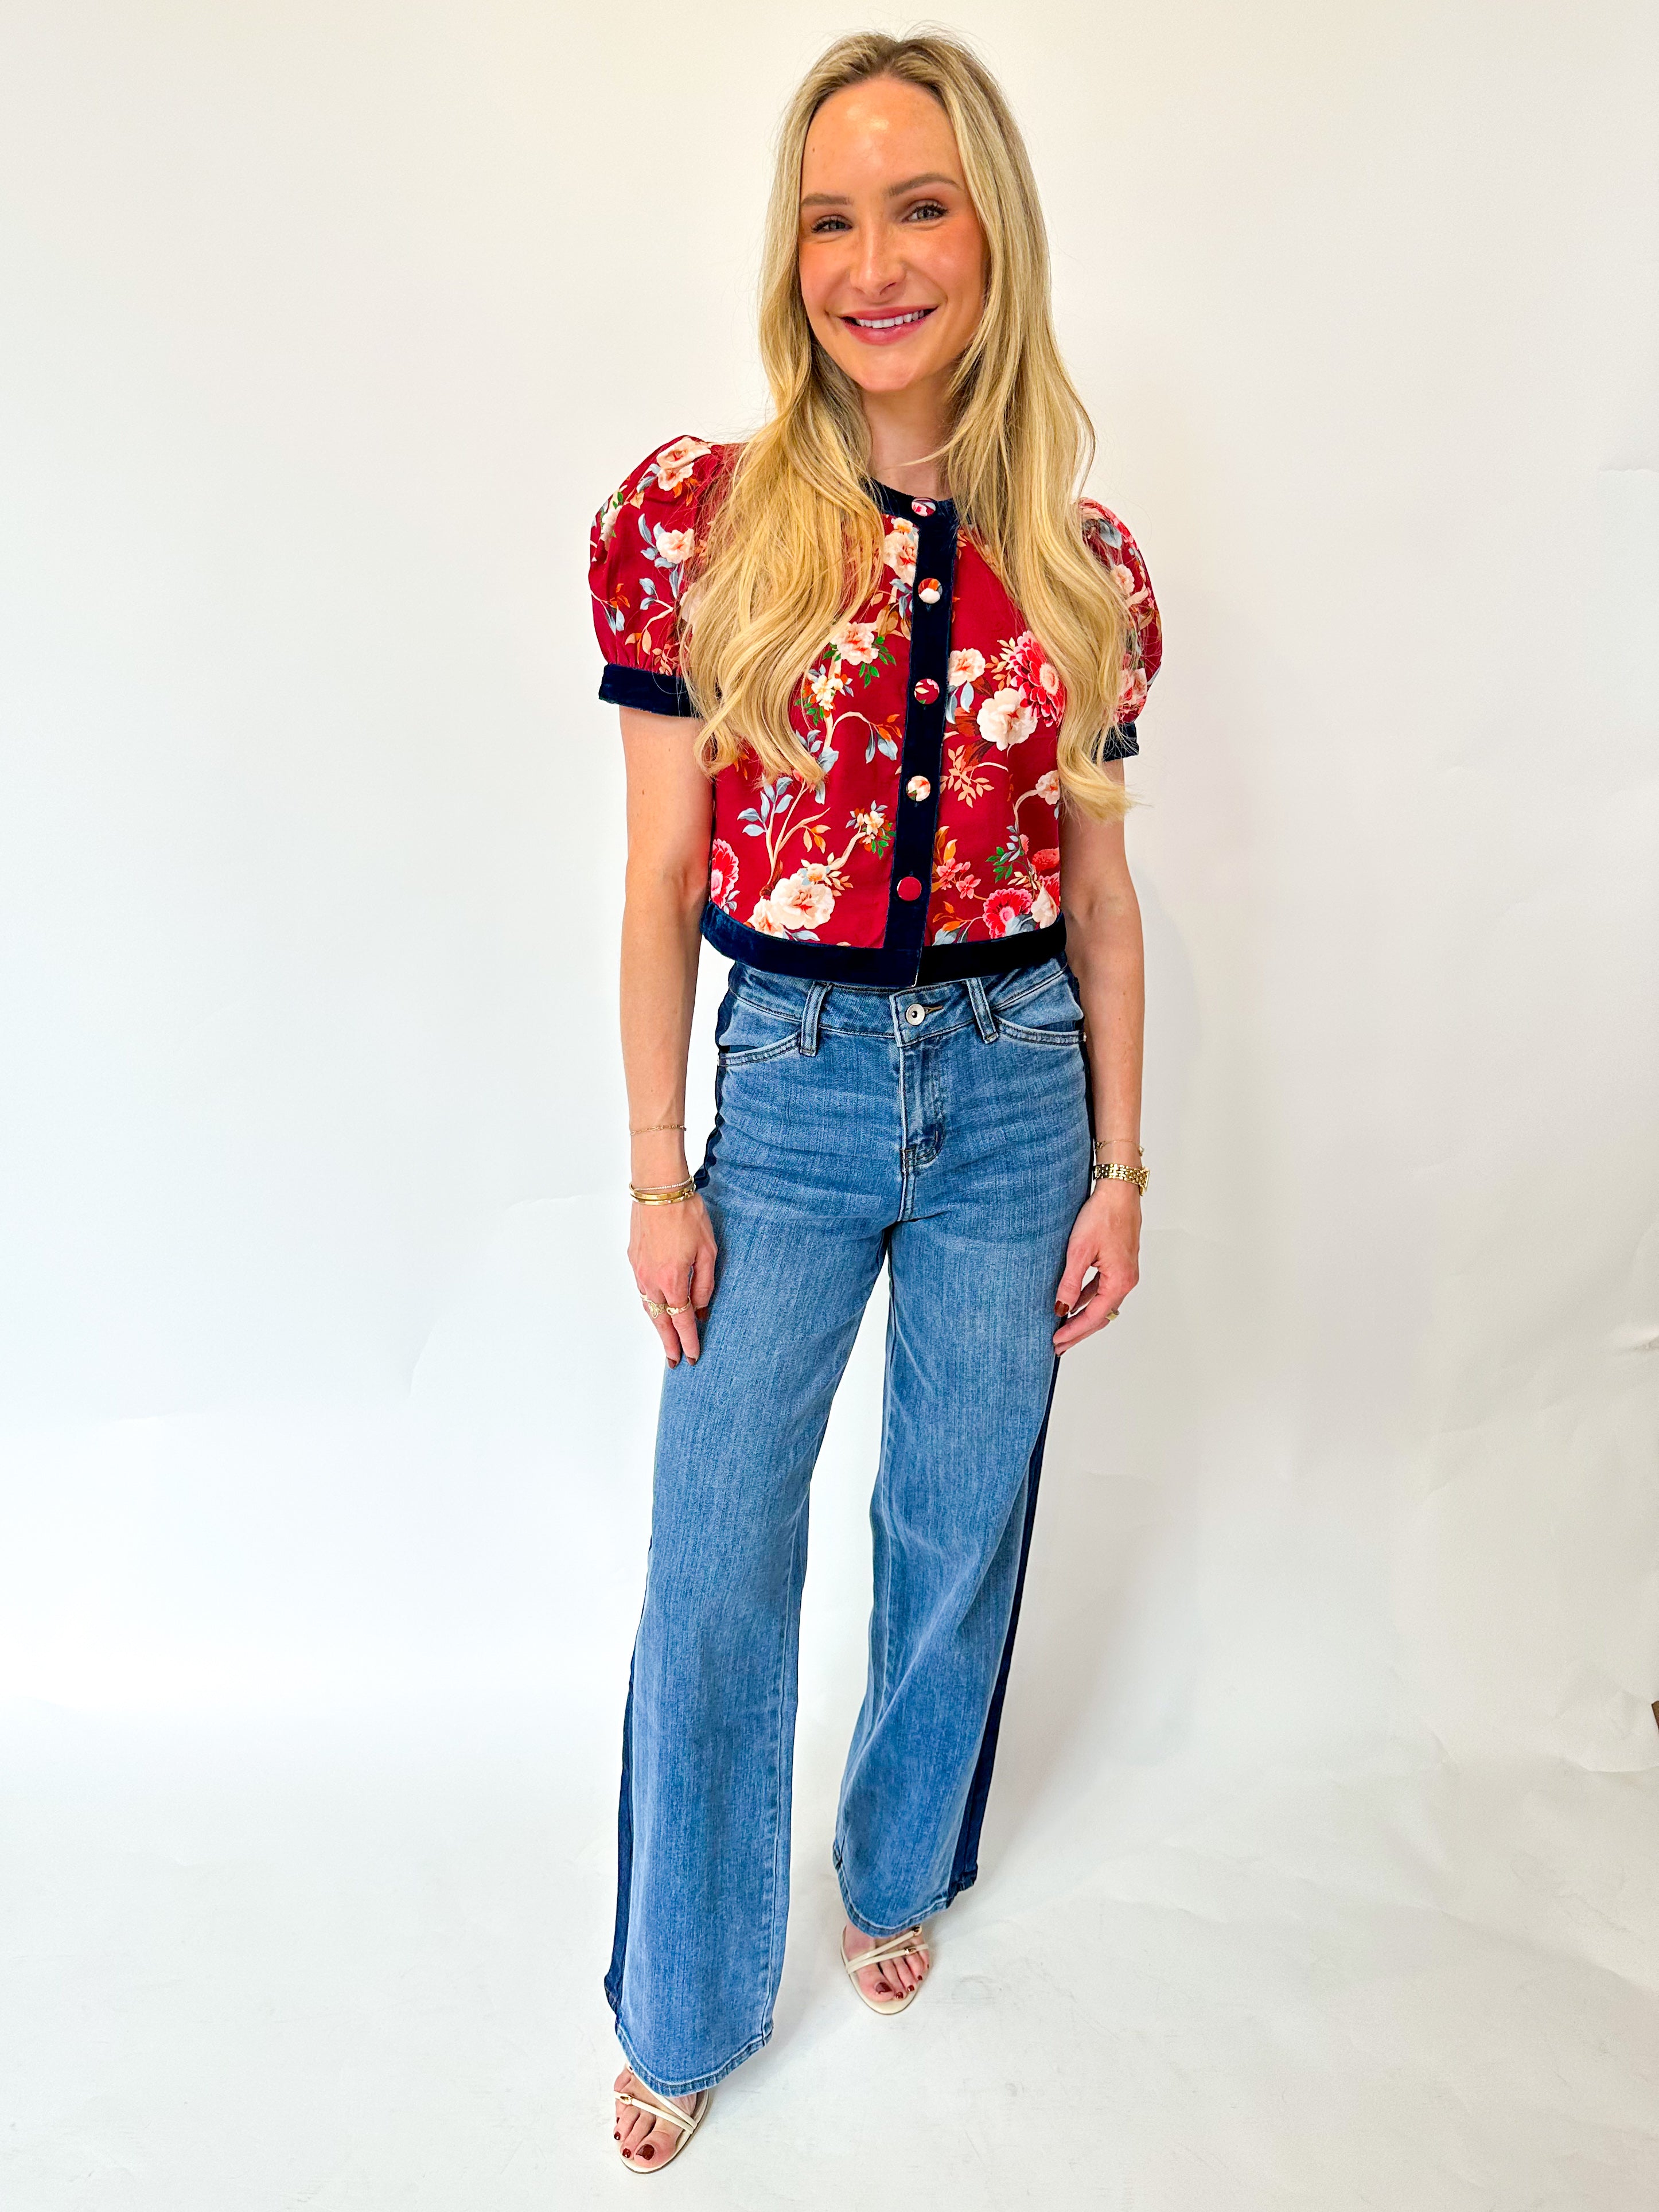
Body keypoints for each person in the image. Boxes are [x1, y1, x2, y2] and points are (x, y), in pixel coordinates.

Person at [588, 29, 1162, 2173]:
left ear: (991, 235)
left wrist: (1119, 1162)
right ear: (790, 255)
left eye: (919, 208)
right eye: (830, 219)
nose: (873, 262)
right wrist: (659, 1174)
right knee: (715, 1549)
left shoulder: (1084, 562)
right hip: (795, 1087)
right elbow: (659, 876)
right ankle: (683, 1996)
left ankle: (901, 1863)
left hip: (1019, 1091)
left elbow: (1099, 899)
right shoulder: (694, 521)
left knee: (956, 1516)